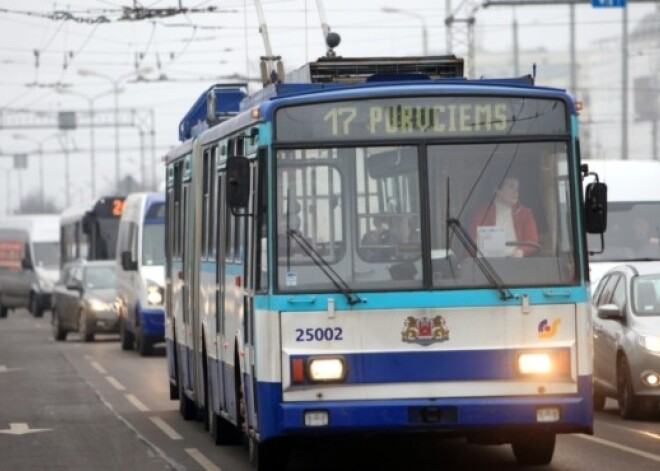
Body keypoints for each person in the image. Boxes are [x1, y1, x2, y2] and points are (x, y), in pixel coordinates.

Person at [470, 175, 539, 258]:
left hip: (517, 263)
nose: (515, 192)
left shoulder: (525, 214)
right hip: (488, 264)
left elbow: (532, 241)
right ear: (497, 190)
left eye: (517, 188)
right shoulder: (484, 212)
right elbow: (473, 239)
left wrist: (521, 251)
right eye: (511, 187)